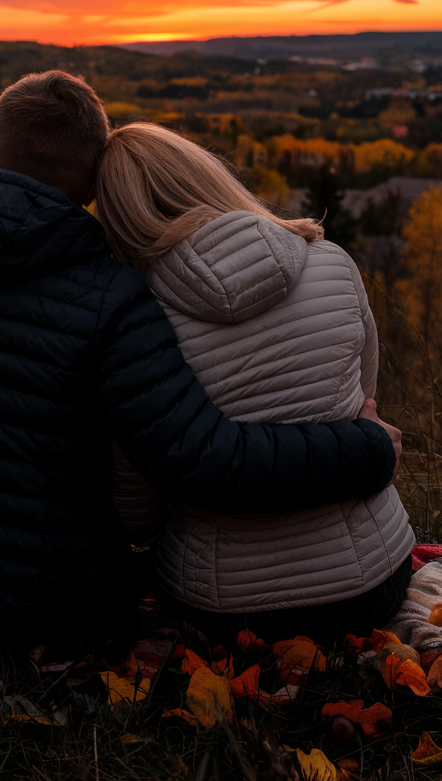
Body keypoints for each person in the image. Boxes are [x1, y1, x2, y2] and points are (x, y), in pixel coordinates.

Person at [0, 72, 401, 660]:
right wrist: (369, 447)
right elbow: (202, 460)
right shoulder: (110, 300)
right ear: (92, 193)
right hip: (30, 617)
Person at [96, 122, 414, 646]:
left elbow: (137, 515)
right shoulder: (333, 262)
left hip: (222, 607)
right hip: (372, 582)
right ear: (208, 175)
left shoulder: (137, 324)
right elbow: (366, 411)